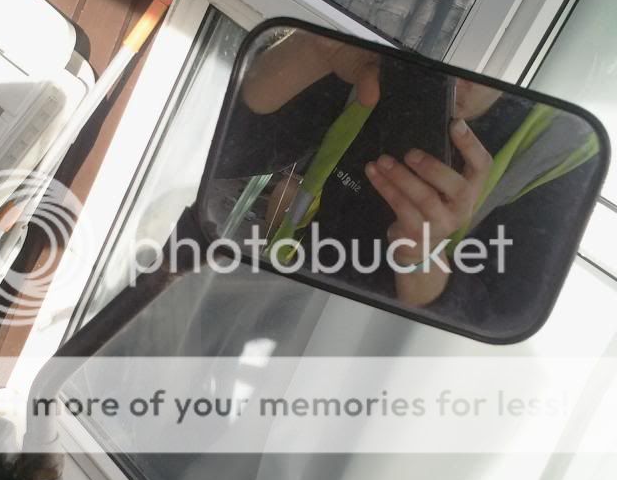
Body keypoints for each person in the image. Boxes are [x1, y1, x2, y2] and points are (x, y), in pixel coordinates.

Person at [215, 28, 601, 336]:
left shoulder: (565, 146)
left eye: (503, 40)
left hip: (364, 359)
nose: (461, 70)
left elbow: (494, 325)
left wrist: (423, 256)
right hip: (272, 285)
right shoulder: (379, 50)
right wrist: (314, 50)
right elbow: (223, 149)